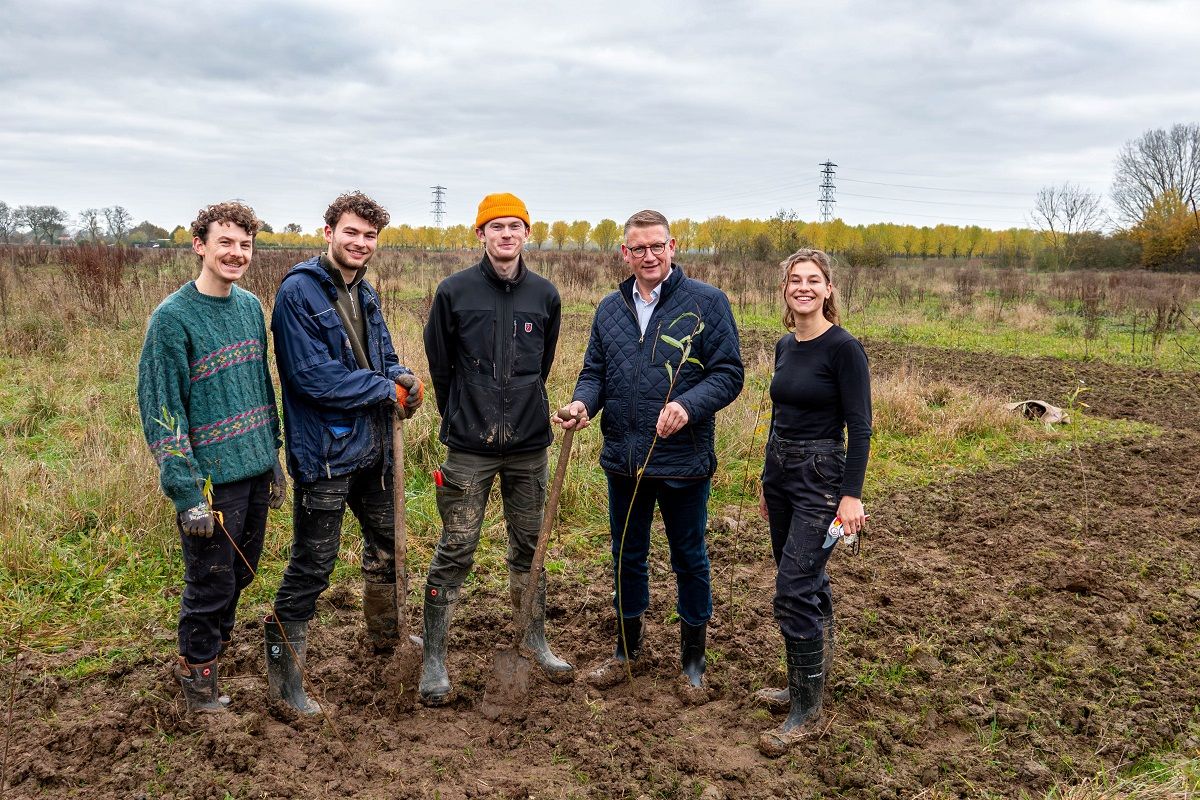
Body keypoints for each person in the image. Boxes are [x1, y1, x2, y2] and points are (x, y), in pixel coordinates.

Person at [560, 209, 743, 697]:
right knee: (627, 555)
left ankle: (693, 663)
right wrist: (582, 403)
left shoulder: (707, 303)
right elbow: (595, 373)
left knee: (689, 557)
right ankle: (626, 651)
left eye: (656, 246)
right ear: (625, 253)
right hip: (624, 460)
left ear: (672, 247)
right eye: (638, 248)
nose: (648, 256)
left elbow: (729, 374)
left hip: (683, 460)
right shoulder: (609, 309)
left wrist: (688, 405)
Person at [265, 191, 424, 714]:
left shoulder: (365, 291)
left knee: (389, 546)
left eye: (369, 235)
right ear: (329, 231)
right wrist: (384, 389)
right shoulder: (298, 292)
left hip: (373, 450)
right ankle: (286, 681)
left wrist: (403, 378)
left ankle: (387, 642)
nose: (360, 243)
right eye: (351, 232)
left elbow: (383, 357)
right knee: (314, 563)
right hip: (326, 454)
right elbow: (311, 377)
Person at [418, 193, 572, 706]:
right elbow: (440, 363)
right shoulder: (454, 291)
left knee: (530, 546)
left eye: (515, 226)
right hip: (469, 447)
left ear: (527, 233)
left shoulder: (545, 295)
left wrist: (520, 409)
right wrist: (464, 413)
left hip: (528, 446)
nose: (506, 234)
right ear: (480, 234)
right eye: (496, 226)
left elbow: (542, 365)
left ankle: (535, 640)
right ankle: (435, 657)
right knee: (456, 547)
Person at [137, 201, 286, 713]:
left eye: (245, 244)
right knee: (210, 582)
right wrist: (187, 494)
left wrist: (272, 454)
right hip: (210, 483)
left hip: (254, 467)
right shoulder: (172, 320)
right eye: (225, 242)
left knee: (241, 573)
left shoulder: (250, 308)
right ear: (200, 245)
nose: (236, 253)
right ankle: (198, 678)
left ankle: (212, 650)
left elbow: (260, 385)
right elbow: (163, 412)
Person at [754, 248, 871, 757]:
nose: (803, 287)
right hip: (781, 473)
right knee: (804, 578)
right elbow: (779, 417)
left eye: (813, 280)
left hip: (821, 478)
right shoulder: (785, 345)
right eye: (795, 279)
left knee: (794, 587)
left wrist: (851, 495)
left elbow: (860, 427)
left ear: (828, 290)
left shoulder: (844, 349)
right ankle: (804, 683)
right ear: (785, 290)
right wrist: (767, 481)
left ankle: (805, 710)